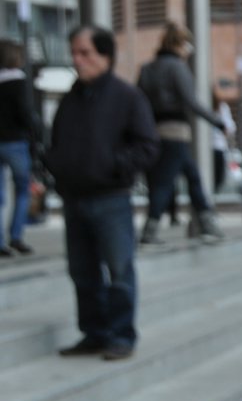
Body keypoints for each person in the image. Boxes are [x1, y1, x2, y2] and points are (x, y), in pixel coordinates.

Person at [45, 26, 160, 361]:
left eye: (85, 53)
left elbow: (148, 146)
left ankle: (122, 335)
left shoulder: (127, 97)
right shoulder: (70, 98)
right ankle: (93, 334)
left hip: (111, 199)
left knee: (119, 270)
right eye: (75, 53)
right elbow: (58, 143)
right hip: (74, 198)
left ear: (105, 56)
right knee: (82, 272)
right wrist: (56, 163)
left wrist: (113, 165)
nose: (77, 60)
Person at [137, 21, 227, 244]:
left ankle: (207, 221)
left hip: (154, 132)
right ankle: (151, 228)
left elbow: (138, 101)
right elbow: (191, 101)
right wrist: (217, 121)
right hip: (175, 133)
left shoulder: (147, 69)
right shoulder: (177, 68)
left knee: (191, 177)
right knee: (165, 182)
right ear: (181, 45)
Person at [0, 39, 42, 256]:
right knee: (22, 191)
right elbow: (27, 116)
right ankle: (16, 236)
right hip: (15, 142)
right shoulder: (19, 83)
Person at [211, 94, 237, 193]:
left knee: (217, 178)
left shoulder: (222, 107)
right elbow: (230, 128)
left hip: (217, 146)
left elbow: (230, 127)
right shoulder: (221, 107)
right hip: (215, 146)